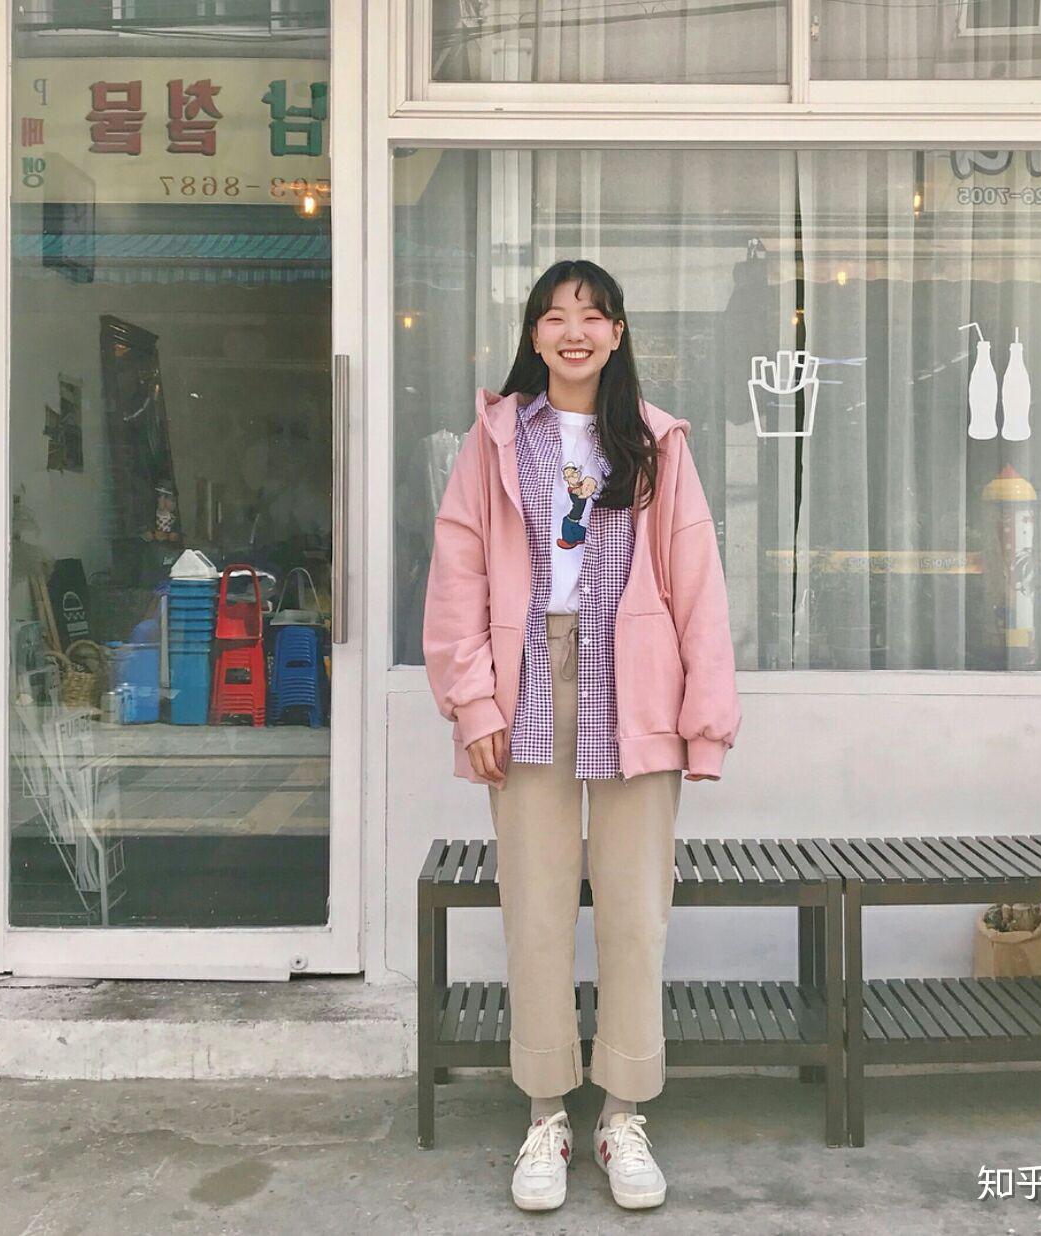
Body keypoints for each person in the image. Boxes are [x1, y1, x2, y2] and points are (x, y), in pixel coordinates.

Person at [423, 259, 740, 1213]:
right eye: (557, 316)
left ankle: (623, 1114)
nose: (575, 331)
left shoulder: (655, 442)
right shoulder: (494, 440)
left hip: (635, 682)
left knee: (637, 910)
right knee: (537, 906)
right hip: (529, 680)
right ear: (533, 335)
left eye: (594, 316)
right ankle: (546, 1114)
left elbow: (697, 580)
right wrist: (474, 705)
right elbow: (458, 575)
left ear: (618, 334)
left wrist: (706, 721)